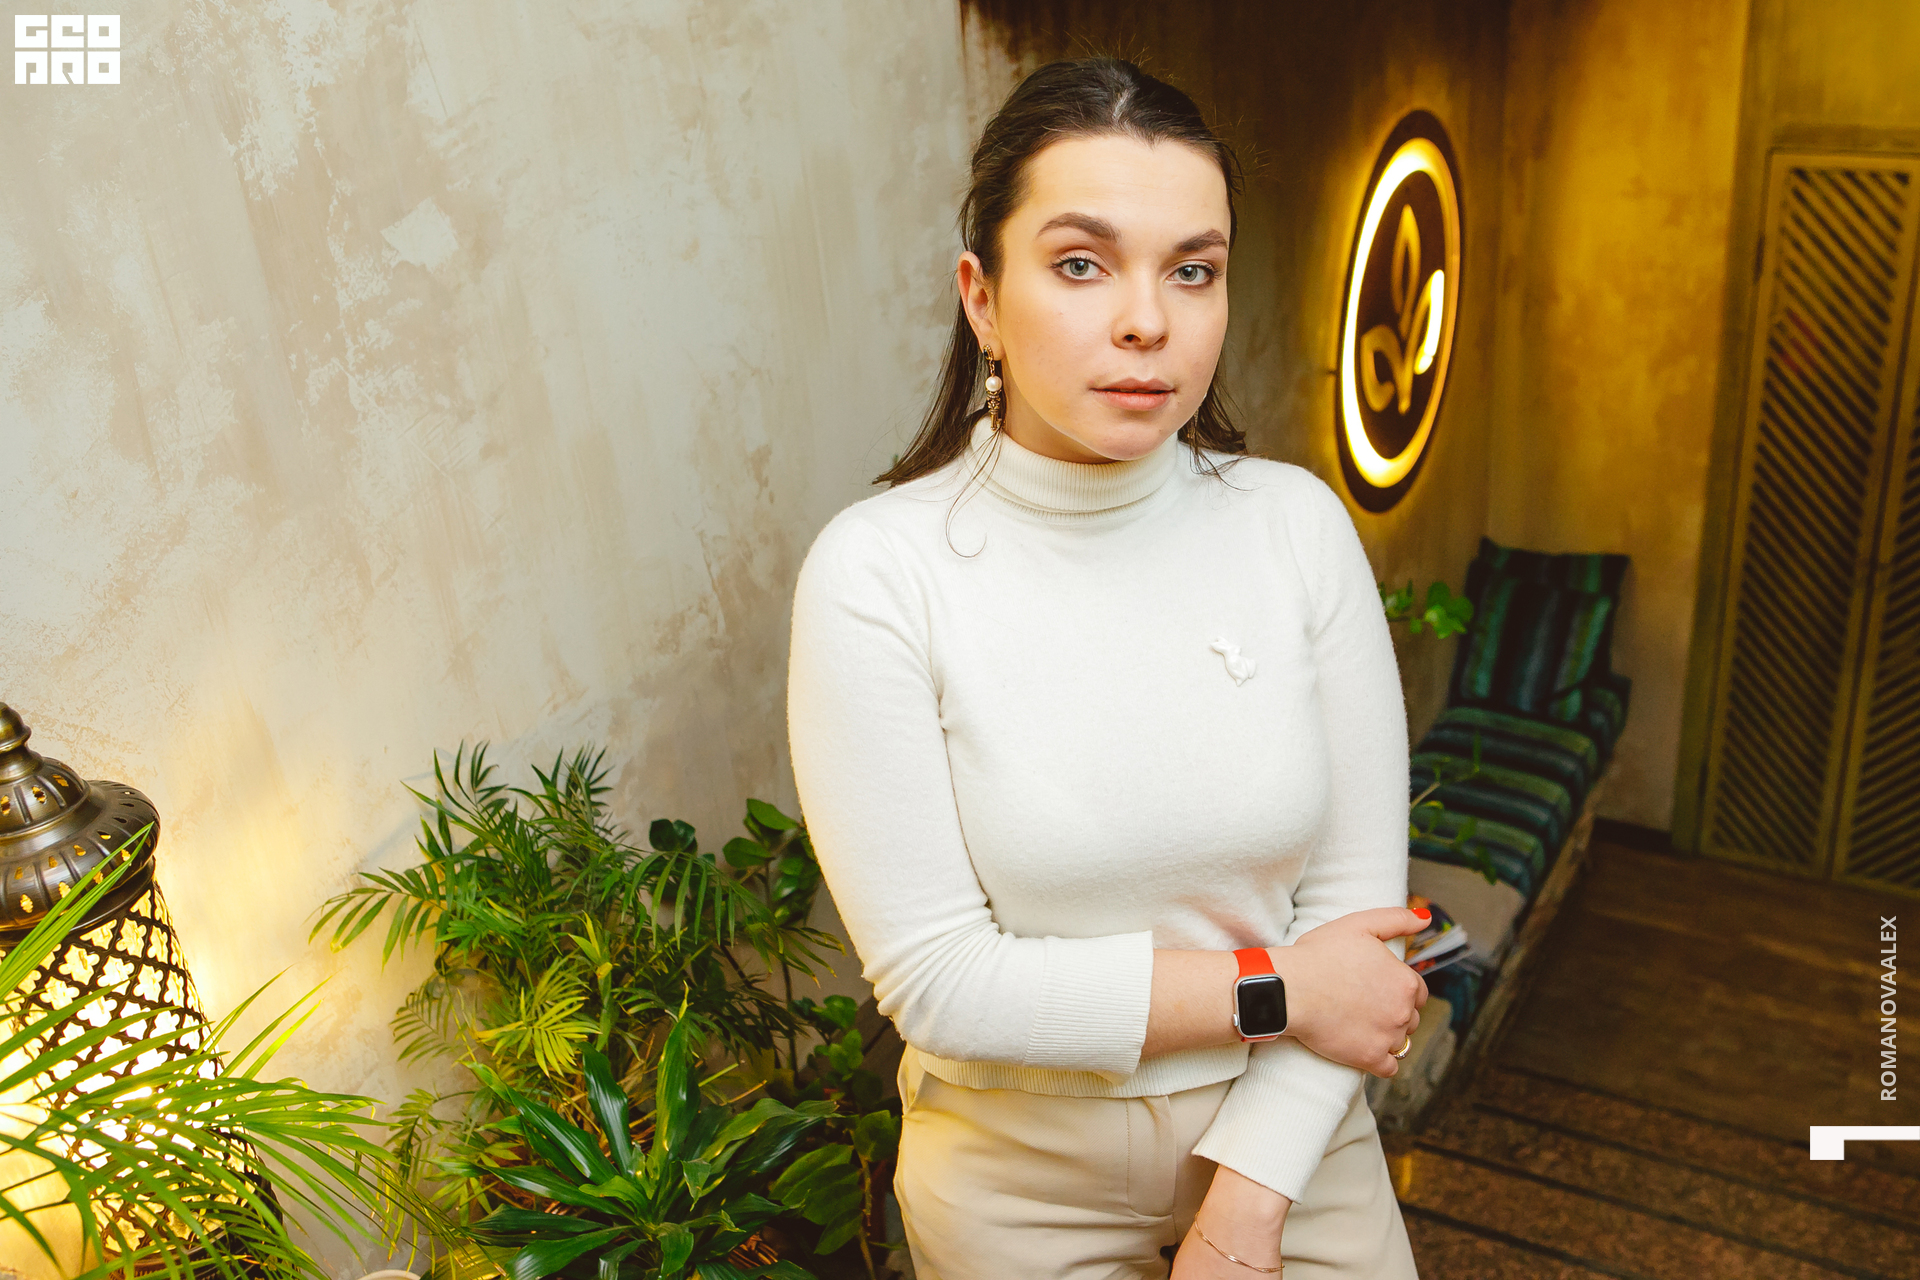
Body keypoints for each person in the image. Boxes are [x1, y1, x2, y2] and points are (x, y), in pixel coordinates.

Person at [787, 57, 1426, 1280]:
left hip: (1292, 1145)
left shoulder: (1294, 527)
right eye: (1082, 264)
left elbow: (1359, 928)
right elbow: (946, 983)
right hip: (1018, 1187)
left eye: (1193, 269)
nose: (1149, 320)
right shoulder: (880, 572)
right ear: (982, 298)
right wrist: (1279, 988)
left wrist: (1248, 1205)